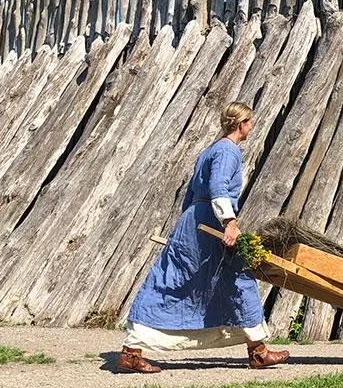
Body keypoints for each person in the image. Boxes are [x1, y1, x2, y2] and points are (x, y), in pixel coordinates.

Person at [117, 102, 289, 373]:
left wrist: (189, 224)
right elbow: (218, 187)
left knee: (179, 280)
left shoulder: (210, 150)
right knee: (231, 278)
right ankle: (257, 351)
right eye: (250, 122)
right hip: (211, 222)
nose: (252, 126)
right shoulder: (227, 151)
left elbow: (190, 195)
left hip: (197, 220)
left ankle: (257, 349)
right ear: (241, 124)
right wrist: (229, 223)